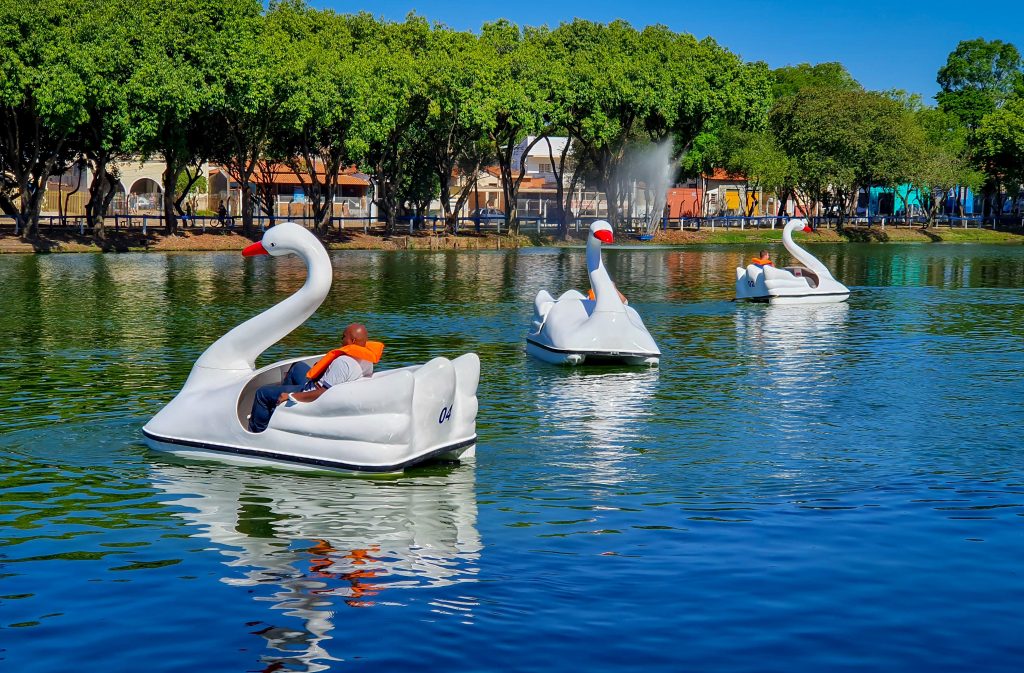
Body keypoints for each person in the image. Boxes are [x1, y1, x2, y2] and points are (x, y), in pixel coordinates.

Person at [247, 323, 383, 433]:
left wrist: (291, 396)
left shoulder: (344, 362)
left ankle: (258, 431)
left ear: (352, 341)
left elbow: (323, 393)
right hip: (320, 384)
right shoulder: (367, 360)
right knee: (297, 366)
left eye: (343, 337)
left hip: (311, 391)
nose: (341, 340)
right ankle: (282, 412)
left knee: (262, 393)